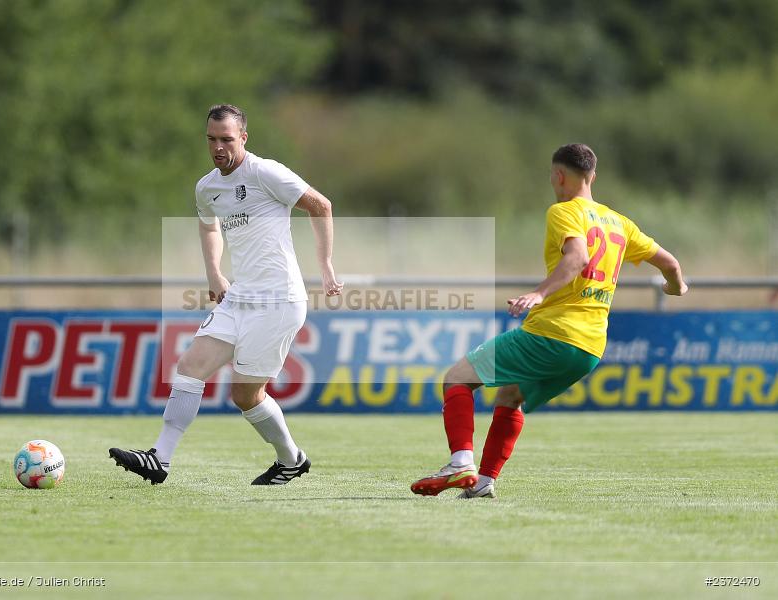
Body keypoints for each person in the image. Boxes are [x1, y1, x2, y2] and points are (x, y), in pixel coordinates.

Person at [411, 143, 688, 499]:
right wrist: (675, 287)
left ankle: (460, 463)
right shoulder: (620, 223)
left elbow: (578, 257)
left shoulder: (564, 211)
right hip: (589, 349)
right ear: (593, 176)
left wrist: (540, 293)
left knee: (457, 379)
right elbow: (671, 264)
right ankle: (483, 482)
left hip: (552, 333)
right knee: (510, 395)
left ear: (558, 176)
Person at [110, 104, 342, 485]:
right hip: (239, 297)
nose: (218, 147)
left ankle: (291, 459)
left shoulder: (265, 172)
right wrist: (215, 273)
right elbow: (209, 227)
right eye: (212, 139)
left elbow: (321, 205)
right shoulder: (207, 187)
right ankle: (160, 458)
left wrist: (326, 265)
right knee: (190, 366)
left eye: (226, 139)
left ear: (243, 138)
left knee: (245, 396)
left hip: (279, 301)